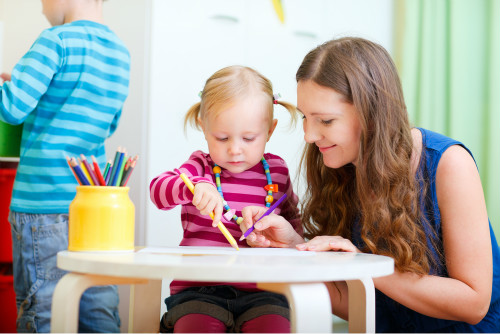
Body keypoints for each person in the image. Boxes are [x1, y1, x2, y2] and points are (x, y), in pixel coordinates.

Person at [240, 37, 500, 333]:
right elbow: (361, 305)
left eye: (325, 120)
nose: (309, 135)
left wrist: (362, 265)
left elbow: (474, 304)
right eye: (305, 117)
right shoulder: (337, 166)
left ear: (372, 112)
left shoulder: (448, 163)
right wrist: (295, 249)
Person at [0, 0, 130, 332]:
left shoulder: (54, 40)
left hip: (42, 204)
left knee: (43, 309)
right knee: (97, 308)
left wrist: (10, 88)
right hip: (93, 206)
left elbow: (12, 108)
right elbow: (107, 124)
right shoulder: (120, 52)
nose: (42, 7)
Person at [149, 65, 302, 333]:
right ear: (203, 127)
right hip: (199, 291)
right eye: (221, 137)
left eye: (248, 138)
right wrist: (193, 188)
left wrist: (282, 245)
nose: (234, 149)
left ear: (270, 130)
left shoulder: (276, 171)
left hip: (264, 290)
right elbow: (158, 191)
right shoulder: (200, 166)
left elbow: (294, 230)